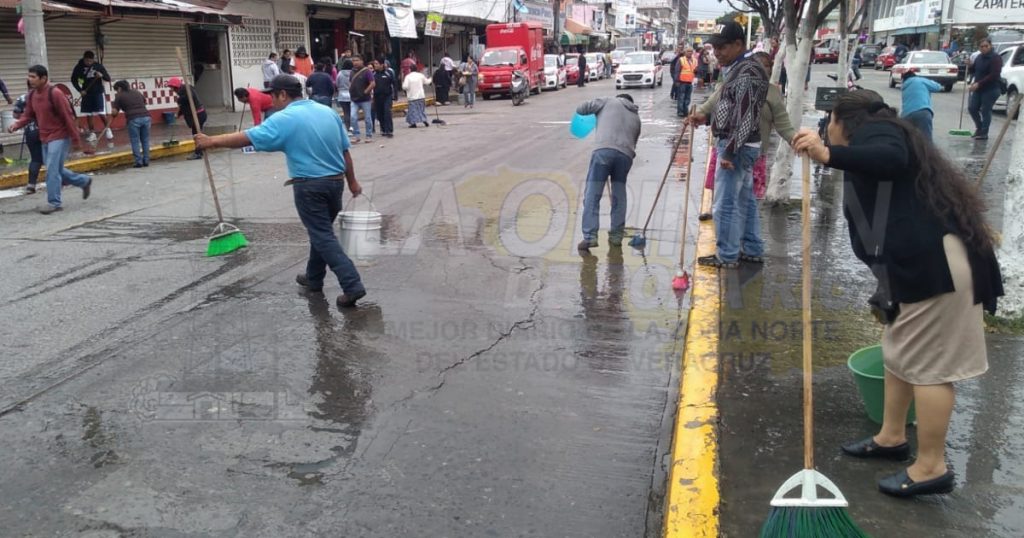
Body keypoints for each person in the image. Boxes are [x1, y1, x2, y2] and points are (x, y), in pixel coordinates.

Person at [792, 89, 1003, 498]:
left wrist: (828, 156)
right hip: (912, 267)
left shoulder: (883, 133)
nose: (825, 131)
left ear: (843, 120)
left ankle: (931, 467)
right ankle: (892, 437)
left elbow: (892, 160)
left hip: (936, 268)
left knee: (929, 368)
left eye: (828, 123)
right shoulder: (873, 140)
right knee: (899, 353)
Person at [194, 74, 368, 308]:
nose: (272, 102)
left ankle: (352, 284)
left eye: (273, 97)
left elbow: (247, 137)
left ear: (283, 95)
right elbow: (345, 151)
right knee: (321, 232)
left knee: (323, 235)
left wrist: (211, 142)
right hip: (335, 184)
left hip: (310, 186)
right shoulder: (327, 111)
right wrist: (352, 182)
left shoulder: (285, 117)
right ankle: (313, 278)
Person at [685, 21, 768, 269]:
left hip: (738, 147)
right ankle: (751, 248)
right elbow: (729, 107)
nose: (717, 52)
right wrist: (706, 116)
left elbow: (746, 118)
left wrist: (730, 152)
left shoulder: (747, 73)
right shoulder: (738, 68)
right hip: (740, 145)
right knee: (745, 200)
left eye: (722, 47)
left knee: (726, 204)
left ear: (738, 44)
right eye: (715, 47)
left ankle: (727, 255)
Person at [698, 52, 796, 203]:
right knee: (725, 200)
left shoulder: (773, 92)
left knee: (748, 203)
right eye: (760, 65)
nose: (765, 69)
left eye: (768, 66)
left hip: (754, 155)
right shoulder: (732, 84)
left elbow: (784, 125)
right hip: (727, 150)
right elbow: (710, 104)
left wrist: (797, 141)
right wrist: (698, 115)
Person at [7, 65, 93, 214]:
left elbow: (68, 117)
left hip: (59, 136)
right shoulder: (33, 95)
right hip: (45, 137)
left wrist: (76, 139)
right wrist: (16, 124)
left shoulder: (55, 94)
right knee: (56, 168)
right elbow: (28, 115)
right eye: (29, 76)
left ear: (43, 78)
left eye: (33, 77)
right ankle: (83, 181)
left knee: (52, 170)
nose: (30, 79)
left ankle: (54, 202)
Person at [575, 94, 642, 251]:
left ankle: (590, 237)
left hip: (603, 151)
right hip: (626, 156)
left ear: (619, 98)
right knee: (619, 194)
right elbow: (634, 142)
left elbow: (581, 109)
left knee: (593, 194)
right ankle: (616, 236)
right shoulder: (636, 117)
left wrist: (596, 111)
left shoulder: (607, 101)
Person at [108, 80, 152, 168]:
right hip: (146, 117)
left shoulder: (119, 96)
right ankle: (146, 160)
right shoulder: (137, 92)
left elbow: (114, 112)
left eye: (116, 90)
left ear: (119, 88)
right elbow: (144, 102)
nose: (116, 91)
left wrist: (114, 113)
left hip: (133, 119)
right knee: (145, 140)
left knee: (135, 140)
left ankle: (138, 161)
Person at [71, 50, 112, 141]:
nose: (89, 63)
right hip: (86, 93)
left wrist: (101, 75)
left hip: (98, 92)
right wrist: (80, 90)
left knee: (101, 113)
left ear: (93, 60)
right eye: (87, 61)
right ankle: (92, 133)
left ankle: (108, 129)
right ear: (84, 59)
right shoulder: (78, 67)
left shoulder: (98, 66)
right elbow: (73, 79)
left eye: (91, 61)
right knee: (89, 114)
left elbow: (108, 78)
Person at [967, 38, 1003, 141]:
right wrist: (969, 66)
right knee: (972, 108)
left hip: (991, 88)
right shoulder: (979, 57)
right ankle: (979, 127)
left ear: (990, 46)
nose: (984, 48)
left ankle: (984, 132)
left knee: (985, 110)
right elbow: (974, 70)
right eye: (981, 46)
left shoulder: (995, 58)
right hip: (978, 88)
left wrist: (979, 83)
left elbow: (994, 75)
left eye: (986, 46)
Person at [12, 85, 44, 193]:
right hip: (46, 131)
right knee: (52, 157)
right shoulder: (45, 96)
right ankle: (62, 179)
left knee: (35, 159)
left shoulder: (22, 98)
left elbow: (16, 115)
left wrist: (24, 118)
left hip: (30, 131)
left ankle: (31, 185)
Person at [167, 76, 206, 161]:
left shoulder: (186, 90)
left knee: (197, 134)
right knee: (196, 133)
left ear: (175, 86)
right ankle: (200, 150)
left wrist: (179, 101)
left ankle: (198, 153)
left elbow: (189, 98)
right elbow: (184, 105)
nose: (171, 89)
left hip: (198, 115)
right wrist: (178, 114)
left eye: (171, 87)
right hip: (198, 114)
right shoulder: (183, 91)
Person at [900, 71, 942, 140]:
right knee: (926, 140)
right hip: (922, 112)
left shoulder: (904, 87)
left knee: (910, 140)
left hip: (906, 115)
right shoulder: (919, 80)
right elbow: (937, 87)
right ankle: (927, 150)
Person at [349, 55, 375, 143]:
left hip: (365, 99)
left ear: (361, 61)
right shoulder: (352, 72)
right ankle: (356, 136)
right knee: (353, 117)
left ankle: (369, 135)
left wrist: (365, 92)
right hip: (354, 99)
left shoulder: (367, 71)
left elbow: (372, 83)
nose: (355, 62)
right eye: (353, 61)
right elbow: (350, 83)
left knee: (367, 118)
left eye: (357, 60)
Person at [371, 59, 394, 138]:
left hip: (387, 96)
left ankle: (389, 130)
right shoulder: (373, 74)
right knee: (380, 114)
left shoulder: (388, 73)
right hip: (377, 97)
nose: (375, 65)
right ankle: (383, 129)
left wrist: (395, 96)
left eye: (377, 63)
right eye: (374, 64)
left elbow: (394, 84)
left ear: (382, 64)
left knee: (387, 112)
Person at [676, 47, 698, 118]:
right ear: (685, 52)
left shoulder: (694, 60)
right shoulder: (681, 60)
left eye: (691, 51)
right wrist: (676, 81)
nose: (690, 53)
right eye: (688, 51)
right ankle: (680, 111)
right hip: (682, 82)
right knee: (681, 97)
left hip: (690, 82)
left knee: (687, 98)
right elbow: (677, 71)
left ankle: (685, 111)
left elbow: (695, 70)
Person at [336, 59, 354, 131]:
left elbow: (337, 83)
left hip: (342, 95)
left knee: (346, 112)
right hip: (352, 94)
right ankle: (353, 126)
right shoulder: (353, 73)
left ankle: (348, 127)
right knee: (352, 112)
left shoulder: (340, 73)